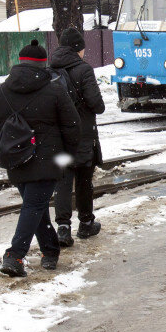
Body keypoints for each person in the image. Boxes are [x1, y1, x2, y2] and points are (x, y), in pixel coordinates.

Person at [0, 40, 80, 277]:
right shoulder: (55, 90)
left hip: (16, 161)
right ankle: (15, 255)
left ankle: (50, 251)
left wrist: (5, 152)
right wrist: (66, 156)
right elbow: (73, 126)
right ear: (43, 65)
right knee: (35, 208)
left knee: (34, 207)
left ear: (20, 63)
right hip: (49, 161)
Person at [49, 28, 106, 247]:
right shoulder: (84, 70)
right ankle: (86, 223)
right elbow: (97, 105)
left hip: (59, 136)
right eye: (82, 48)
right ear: (77, 48)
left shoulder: (50, 70)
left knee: (63, 181)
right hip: (82, 135)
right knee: (83, 180)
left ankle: (63, 228)